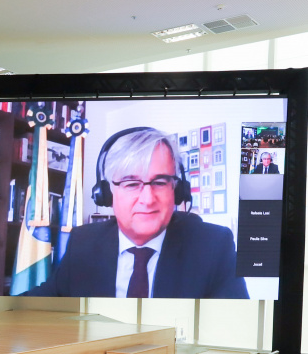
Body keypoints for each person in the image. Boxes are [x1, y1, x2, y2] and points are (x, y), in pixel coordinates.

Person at [28, 127, 248, 298]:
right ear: (106, 193)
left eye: (160, 182)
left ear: (177, 190)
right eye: (131, 183)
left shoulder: (214, 246)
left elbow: (236, 326)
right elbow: (43, 304)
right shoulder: (83, 242)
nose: (148, 199)